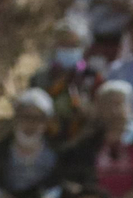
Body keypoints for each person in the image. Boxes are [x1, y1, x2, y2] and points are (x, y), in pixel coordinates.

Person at [59, 79, 133, 198]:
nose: (113, 111)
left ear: (130, 107)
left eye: (118, 104)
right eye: (107, 104)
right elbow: (69, 177)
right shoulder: (88, 140)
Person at [0, 88, 64, 198]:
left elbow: (56, 187)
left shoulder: (55, 151)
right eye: (26, 117)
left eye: (38, 119)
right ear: (16, 118)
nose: (31, 124)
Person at [31, 17, 101, 145]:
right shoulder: (40, 78)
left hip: (85, 141)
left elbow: (100, 114)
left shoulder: (93, 77)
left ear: (84, 47)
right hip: (47, 140)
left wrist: (88, 111)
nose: (68, 50)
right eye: (63, 45)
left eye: (73, 45)